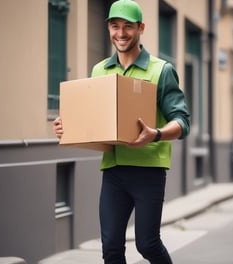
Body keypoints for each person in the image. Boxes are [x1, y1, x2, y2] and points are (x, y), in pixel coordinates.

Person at [54, 0, 190, 263]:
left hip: (149, 170)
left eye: (128, 27)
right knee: (111, 248)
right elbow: (93, 119)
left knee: (147, 244)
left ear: (141, 28)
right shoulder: (100, 70)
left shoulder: (161, 70)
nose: (121, 33)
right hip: (114, 171)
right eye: (115, 26)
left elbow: (183, 122)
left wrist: (157, 134)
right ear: (109, 29)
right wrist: (67, 126)